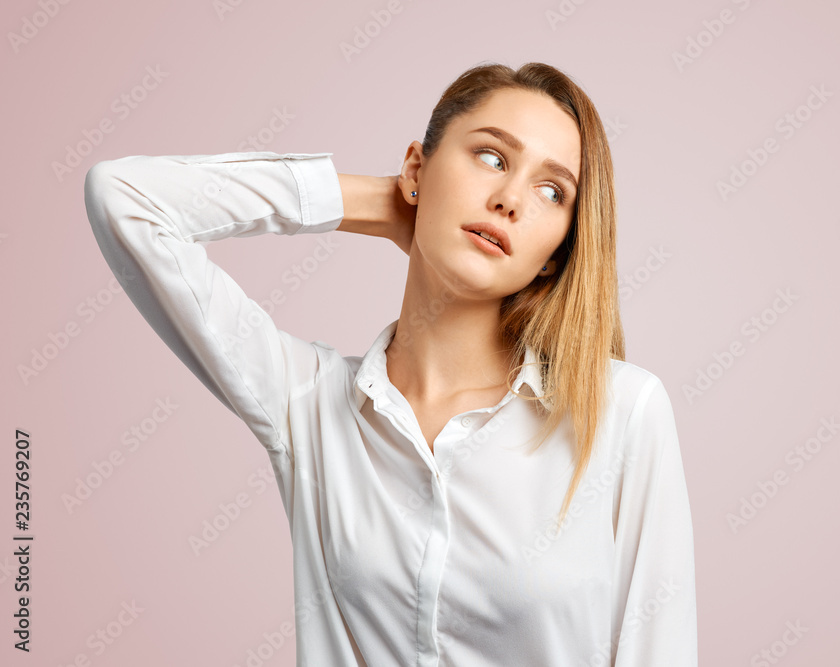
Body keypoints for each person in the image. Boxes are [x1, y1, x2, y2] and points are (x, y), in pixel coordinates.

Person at [83, 61, 697, 666]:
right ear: (416, 168)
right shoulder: (309, 407)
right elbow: (125, 200)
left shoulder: (621, 413)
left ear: (554, 255)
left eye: (551, 190)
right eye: (491, 157)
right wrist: (378, 203)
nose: (510, 199)